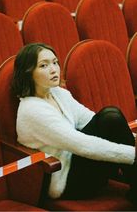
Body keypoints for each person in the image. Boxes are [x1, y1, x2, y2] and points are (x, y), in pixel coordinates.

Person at [12, 42, 137, 204]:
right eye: (43, 65)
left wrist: (131, 138)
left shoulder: (58, 93)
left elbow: (93, 121)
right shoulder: (32, 110)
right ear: (28, 72)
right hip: (67, 180)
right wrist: (132, 154)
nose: (53, 69)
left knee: (110, 117)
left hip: (80, 162)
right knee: (110, 117)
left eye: (55, 62)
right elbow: (81, 144)